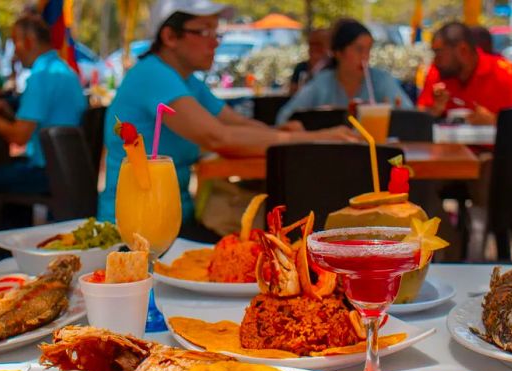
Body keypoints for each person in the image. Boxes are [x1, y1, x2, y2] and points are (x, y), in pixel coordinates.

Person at [99, 0, 357, 232]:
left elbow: (239, 124)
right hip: (134, 228)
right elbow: (218, 137)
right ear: (169, 36)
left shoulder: (188, 81)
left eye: (217, 31)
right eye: (204, 31)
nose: (215, 41)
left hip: (175, 218)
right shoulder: (153, 74)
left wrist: (292, 134)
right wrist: (312, 139)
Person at [0, 15, 87, 231]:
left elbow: (19, 136)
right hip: (72, 171)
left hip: (48, 173)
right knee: (7, 177)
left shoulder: (41, 76)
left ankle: (1, 248)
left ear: (28, 41)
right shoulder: (64, 70)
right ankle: (14, 240)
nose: (15, 50)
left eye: (15, 42)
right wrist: (7, 110)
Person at [277, 19, 413, 125]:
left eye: (368, 49)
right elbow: (284, 117)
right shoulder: (322, 83)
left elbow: (411, 117)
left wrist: (392, 114)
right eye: (359, 49)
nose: (365, 56)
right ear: (338, 52)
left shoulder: (381, 80)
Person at [417, 22, 512, 125]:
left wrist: (495, 121)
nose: (435, 59)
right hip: (447, 150)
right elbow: (417, 118)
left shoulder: (503, 71)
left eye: (439, 52)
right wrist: (433, 111)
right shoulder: (437, 72)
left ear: (463, 50)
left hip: (496, 150)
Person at [289, 28, 331, 95]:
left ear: (329, 45)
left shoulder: (335, 68)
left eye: (318, 44)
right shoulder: (301, 67)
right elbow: (292, 94)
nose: (314, 47)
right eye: (311, 44)